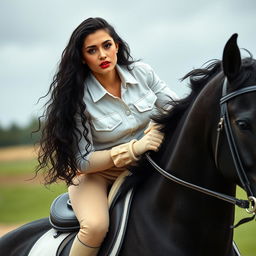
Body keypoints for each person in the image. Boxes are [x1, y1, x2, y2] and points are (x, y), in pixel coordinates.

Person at [37, 17, 178, 256]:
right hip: (97, 176)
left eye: (107, 45)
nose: (102, 55)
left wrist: (158, 128)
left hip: (150, 164)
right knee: (95, 227)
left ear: (117, 46)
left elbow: (175, 109)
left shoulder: (143, 73)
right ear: (83, 57)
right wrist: (134, 149)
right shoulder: (76, 99)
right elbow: (81, 162)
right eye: (92, 50)